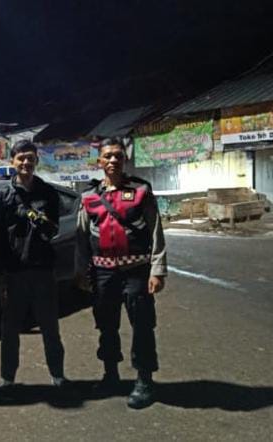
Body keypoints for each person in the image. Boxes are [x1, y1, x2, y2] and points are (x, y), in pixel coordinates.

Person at [76, 137, 167, 409]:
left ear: (125, 159)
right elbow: (81, 238)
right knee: (106, 325)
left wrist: (157, 270)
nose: (113, 160)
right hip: (102, 273)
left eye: (118, 155)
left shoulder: (140, 190)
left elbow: (155, 230)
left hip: (136, 271)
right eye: (108, 156)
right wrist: (81, 271)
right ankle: (110, 375)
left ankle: (144, 380)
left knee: (142, 326)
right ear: (99, 161)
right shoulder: (89, 196)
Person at [0, 139, 69, 388]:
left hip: (43, 271)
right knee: (9, 330)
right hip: (13, 274)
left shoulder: (48, 192)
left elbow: (53, 229)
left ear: (36, 160)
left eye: (30, 158)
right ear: (12, 161)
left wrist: (40, 220)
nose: (26, 162)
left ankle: (58, 376)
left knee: (50, 327)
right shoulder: (1, 196)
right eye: (21, 158)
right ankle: (7, 379)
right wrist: (0, 277)